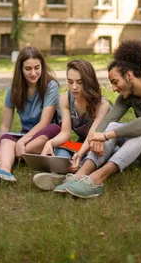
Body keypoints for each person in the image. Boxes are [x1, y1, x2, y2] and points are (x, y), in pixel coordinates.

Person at [55, 40, 141, 199]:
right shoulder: (126, 97)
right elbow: (107, 122)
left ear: (129, 75)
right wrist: (97, 138)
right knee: (113, 125)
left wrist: (105, 136)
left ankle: (95, 180)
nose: (113, 88)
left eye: (115, 82)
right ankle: (80, 175)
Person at [0, 45, 60, 186]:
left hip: (47, 133)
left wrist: (21, 142)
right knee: (6, 139)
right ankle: (5, 171)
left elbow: (44, 123)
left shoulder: (51, 86)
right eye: (28, 69)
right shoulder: (13, 90)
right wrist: (0, 149)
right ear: (20, 69)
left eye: (37, 67)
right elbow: (5, 125)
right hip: (27, 135)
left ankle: (16, 154)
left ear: (42, 66)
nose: (33, 73)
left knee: (43, 134)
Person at [32, 58, 111, 191]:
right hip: (81, 145)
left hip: (99, 144)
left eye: (79, 83)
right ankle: (64, 173)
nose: (74, 87)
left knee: (93, 153)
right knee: (61, 149)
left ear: (88, 82)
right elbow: (65, 133)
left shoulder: (102, 105)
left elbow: (92, 136)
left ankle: (66, 175)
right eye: (70, 82)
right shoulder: (65, 99)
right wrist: (49, 143)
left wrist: (80, 153)